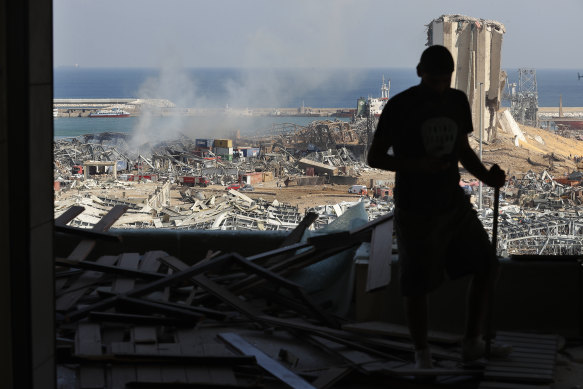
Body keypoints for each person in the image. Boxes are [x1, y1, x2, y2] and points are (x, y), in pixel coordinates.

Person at [367, 45, 509, 369]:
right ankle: (422, 353)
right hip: (415, 208)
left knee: (488, 265)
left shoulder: (457, 101)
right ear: (420, 73)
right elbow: (374, 157)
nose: (439, 88)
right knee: (417, 283)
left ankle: (472, 342)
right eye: (433, 81)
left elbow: (462, 150)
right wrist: (417, 165)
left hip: (452, 203)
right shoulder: (400, 106)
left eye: (444, 81)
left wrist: (488, 178)